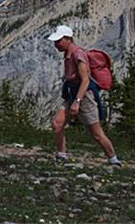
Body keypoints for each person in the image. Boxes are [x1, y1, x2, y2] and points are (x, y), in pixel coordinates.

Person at [48, 25, 122, 167]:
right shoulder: (68, 54)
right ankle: (62, 155)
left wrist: (77, 101)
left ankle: (113, 159)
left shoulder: (78, 54)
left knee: (96, 133)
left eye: (58, 41)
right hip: (72, 93)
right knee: (57, 124)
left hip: (84, 95)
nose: (55, 44)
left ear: (68, 39)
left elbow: (85, 79)